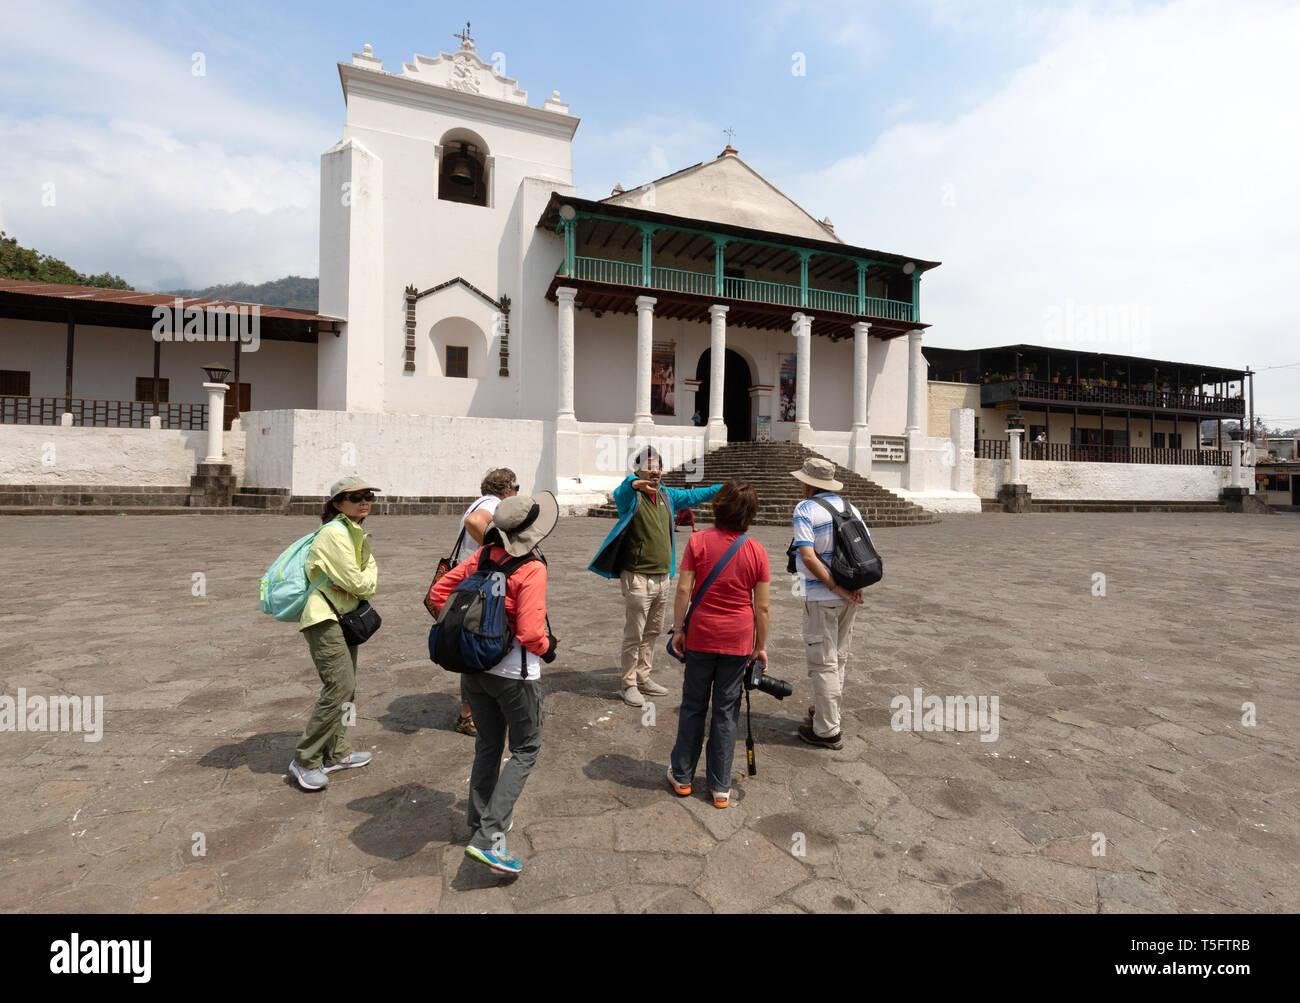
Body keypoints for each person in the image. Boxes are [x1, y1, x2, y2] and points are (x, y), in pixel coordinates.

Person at [429, 492, 559, 876]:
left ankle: (478, 819)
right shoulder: (531, 568)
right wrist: (549, 649)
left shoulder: (481, 557)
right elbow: (534, 633)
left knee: (488, 744)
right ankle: (490, 837)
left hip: (474, 670)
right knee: (525, 749)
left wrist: (475, 629)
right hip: (514, 675)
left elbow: (438, 593)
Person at [589, 445, 721, 707]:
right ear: (637, 469)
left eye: (658, 466)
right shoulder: (630, 496)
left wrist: (722, 488)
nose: (654, 470)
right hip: (637, 576)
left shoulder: (667, 495)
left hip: (663, 577)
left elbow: (695, 496)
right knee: (634, 633)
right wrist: (636, 483)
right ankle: (628, 684)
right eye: (649, 466)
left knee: (652, 631)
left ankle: (643, 676)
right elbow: (623, 489)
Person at [667, 479, 770, 808]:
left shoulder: (698, 541)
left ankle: (682, 776)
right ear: (750, 514)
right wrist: (760, 646)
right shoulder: (756, 550)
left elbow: (684, 589)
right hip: (738, 640)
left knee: (694, 705)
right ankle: (720, 786)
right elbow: (763, 606)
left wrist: (678, 628)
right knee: (726, 712)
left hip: (701, 634)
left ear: (718, 506)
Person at [289, 475, 380, 791]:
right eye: (355, 497)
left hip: (342, 616)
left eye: (368, 495)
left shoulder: (353, 532)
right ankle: (305, 759)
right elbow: (362, 583)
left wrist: (360, 576)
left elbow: (358, 578)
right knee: (338, 686)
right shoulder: (334, 534)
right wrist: (365, 576)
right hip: (323, 617)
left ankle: (337, 752)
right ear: (337, 503)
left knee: (347, 687)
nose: (365, 500)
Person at [790, 457, 867, 750]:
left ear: (809, 483)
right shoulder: (850, 507)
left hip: (823, 596)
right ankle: (825, 710)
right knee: (839, 658)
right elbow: (865, 549)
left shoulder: (805, 509)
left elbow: (808, 556)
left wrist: (833, 585)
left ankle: (827, 730)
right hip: (849, 595)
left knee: (823, 663)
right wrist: (853, 588)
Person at [448, 468, 520, 736]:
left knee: (475, 644)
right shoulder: (492, 505)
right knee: (477, 643)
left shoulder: (481, 501)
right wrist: (499, 551)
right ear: (506, 489)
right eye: (517, 487)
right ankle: (468, 715)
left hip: (471, 583)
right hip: (480, 586)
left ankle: (477, 709)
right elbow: (475, 522)